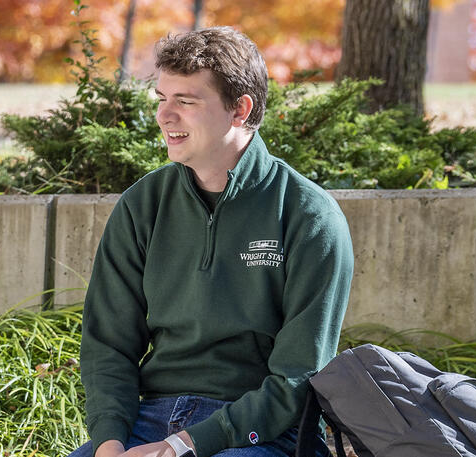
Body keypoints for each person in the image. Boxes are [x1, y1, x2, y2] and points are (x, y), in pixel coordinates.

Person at [71, 27, 353, 457]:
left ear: (240, 109)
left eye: (185, 102)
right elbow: (108, 344)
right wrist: (109, 442)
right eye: (162, 99)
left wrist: (184, 446)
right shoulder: (143, 204)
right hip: (152, 419)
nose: (165, 116)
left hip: (265, 432)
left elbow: (297, 377)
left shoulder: (309, 216)